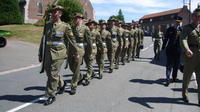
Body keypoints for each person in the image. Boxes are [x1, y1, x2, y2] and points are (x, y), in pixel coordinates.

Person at [38, 5, 77, 105]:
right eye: (53, 11)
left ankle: (51, 95)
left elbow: (72, 40)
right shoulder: (47, 25)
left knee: (53, 73)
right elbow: (43, 40)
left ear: (60, 14)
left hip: (59, 53)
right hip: (47, 53)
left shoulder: (65, 26)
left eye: (56, 11)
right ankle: (62, 84)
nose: (54, 13)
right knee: (48, 72)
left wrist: (76, 52)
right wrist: (40, 53)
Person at [180, 4, 200, 104]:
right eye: (196, 16)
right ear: (192, 17)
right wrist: (187, 49)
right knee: (187, 77)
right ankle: (184, 94)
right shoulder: (187, 28)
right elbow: (183, 39)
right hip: (190, 56)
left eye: (199, 16)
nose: (198, 18)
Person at [69, 13, 92, 95]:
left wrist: (89, 52)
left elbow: (89, 42)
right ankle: (81, 77)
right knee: (71, 67)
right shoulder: (71, 28)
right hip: (71, 50)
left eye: (76, 18)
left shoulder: (85, 28)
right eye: (74, 18)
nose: (74, 20)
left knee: (76, 68)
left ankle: (73, 86)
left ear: (80, 19)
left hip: (80, 49)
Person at [162, 16, 183, 86]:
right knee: (173, 64)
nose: (178, 23)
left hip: (174, 49)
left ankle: (170, 78)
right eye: (177, 22)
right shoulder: (179, 29)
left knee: (172, 64)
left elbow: (165, 39)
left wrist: (163, 47)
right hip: (175, 49)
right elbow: (166, 39)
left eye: (178, 22)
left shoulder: (172, 29)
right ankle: (171, 78)